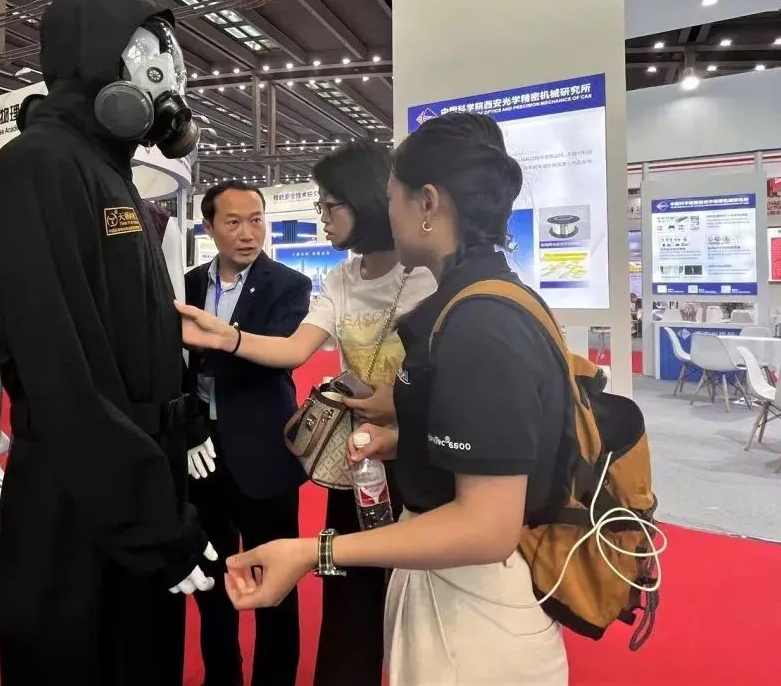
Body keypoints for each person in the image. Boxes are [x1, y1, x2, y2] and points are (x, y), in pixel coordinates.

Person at [219, 113, 571, 685]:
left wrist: (314, 553)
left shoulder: (479, 322)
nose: (388, 214)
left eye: (392, 198)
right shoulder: (474, 303)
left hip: (473, 611)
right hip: (452, 587)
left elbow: (486, 527)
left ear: (426, 203)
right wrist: (398, 440)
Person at [0, 0, 215, 684]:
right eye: (151, 63)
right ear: (96, 62)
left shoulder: (110, 176)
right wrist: (152, 524)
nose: (168, 84)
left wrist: (183, 420)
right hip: (87, 503)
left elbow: (138, 325)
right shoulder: (39, 163)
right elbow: (61, 370)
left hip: (131, 484)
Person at [176, 142, 437, 686]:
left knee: (422, 602)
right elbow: (295, 349)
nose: (321, 217)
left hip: (420, 461)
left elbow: (458, 383)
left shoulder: (431, 278)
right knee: (347, 599)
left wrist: (401, 404)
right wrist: (229, 338)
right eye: (234, 221)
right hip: (353, 464)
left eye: (329, 205)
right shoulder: (339, 279)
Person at [183, 180, 311, 686]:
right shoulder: (190, 284)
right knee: (211, 582)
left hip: (264, 454)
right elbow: (174, 365)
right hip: (201, 454)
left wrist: (208, 344)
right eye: (233, 222)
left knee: (276, 585)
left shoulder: (288, 285)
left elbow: (274, 358)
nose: (248, 233)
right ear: (209, 226)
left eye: (256, 220)